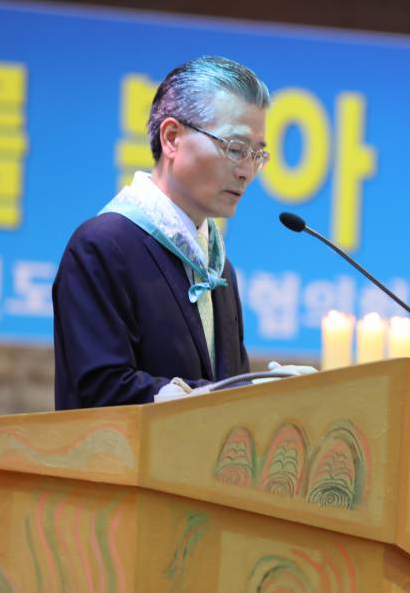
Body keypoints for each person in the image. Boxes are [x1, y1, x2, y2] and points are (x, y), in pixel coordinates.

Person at [53, 56, 269, 409]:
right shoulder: (103, 246)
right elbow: (103, 391)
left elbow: (229, 392)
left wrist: (270, 392)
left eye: (257, 154)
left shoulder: (217, 266)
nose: (246, 171)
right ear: (172, 138)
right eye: (235, 149)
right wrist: (225, 395)